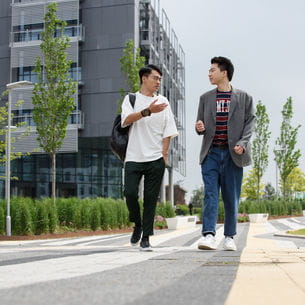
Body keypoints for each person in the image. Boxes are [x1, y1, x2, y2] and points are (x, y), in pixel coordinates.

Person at [195, 56, 255, 251]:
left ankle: (229, 237)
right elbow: (200, 126)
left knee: (231, 197)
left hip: (233, 155)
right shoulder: (205, 98)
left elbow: (250, 122)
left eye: (212, 70)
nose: (209, 73)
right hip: (211, 153)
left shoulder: (244, 98)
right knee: (210, 194)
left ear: (224, 73)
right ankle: (209, 235)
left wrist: (243, 143)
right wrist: (199, 127)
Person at [121, 64, 178, 251]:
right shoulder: (131, 99)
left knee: (151, 199)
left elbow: (168, 131)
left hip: (155, 159)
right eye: (155, 78)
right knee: (129, 193)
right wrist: (147, 111)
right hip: (133, 156)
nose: (158, 82)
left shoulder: (164, 101)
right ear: (144, 78)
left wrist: (165, 155)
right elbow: (126, 120)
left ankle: (146, 237)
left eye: (160, 79)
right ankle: (137, 223)